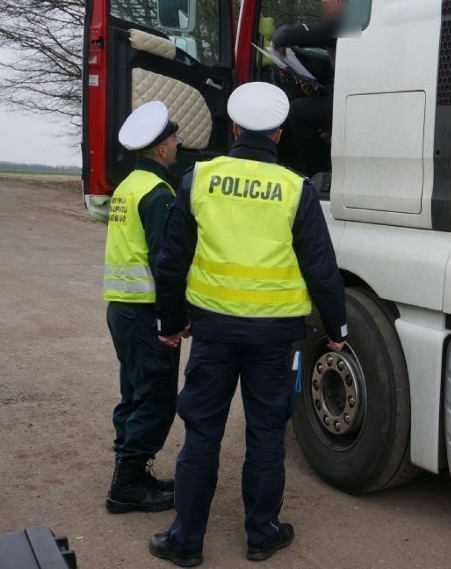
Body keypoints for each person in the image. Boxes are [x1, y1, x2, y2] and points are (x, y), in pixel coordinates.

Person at [148, 82, 348, 567]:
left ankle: (186, 541)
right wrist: (338, 329)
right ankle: (261, 535)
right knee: (265, 434)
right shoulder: (295, 189)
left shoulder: (199, 178)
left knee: (203, 434)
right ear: (278, 135)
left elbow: (171, 260)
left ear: (234, 128)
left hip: (213, 331)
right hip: (275, 337)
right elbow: (322, 267)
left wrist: (170, 323)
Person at [103, 101, 182, 514]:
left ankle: (130, 471)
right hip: (146, 312)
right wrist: (174, 320)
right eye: (174, 137)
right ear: (162, 148)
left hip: (122, 310)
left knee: (133, 394)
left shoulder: (127, 186)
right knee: (155, 397)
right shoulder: (158, 194)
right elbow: (163, 263)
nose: (178, 142)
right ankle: (128, 486)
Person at [271, 0, 343, 177]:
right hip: (351, 95)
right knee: (306, 102)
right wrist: (320, 89)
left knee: (298, 111)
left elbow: (286, 34)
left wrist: (277, 39)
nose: (322, 6)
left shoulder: (350, 25)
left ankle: (316, 175)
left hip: (357, 104)